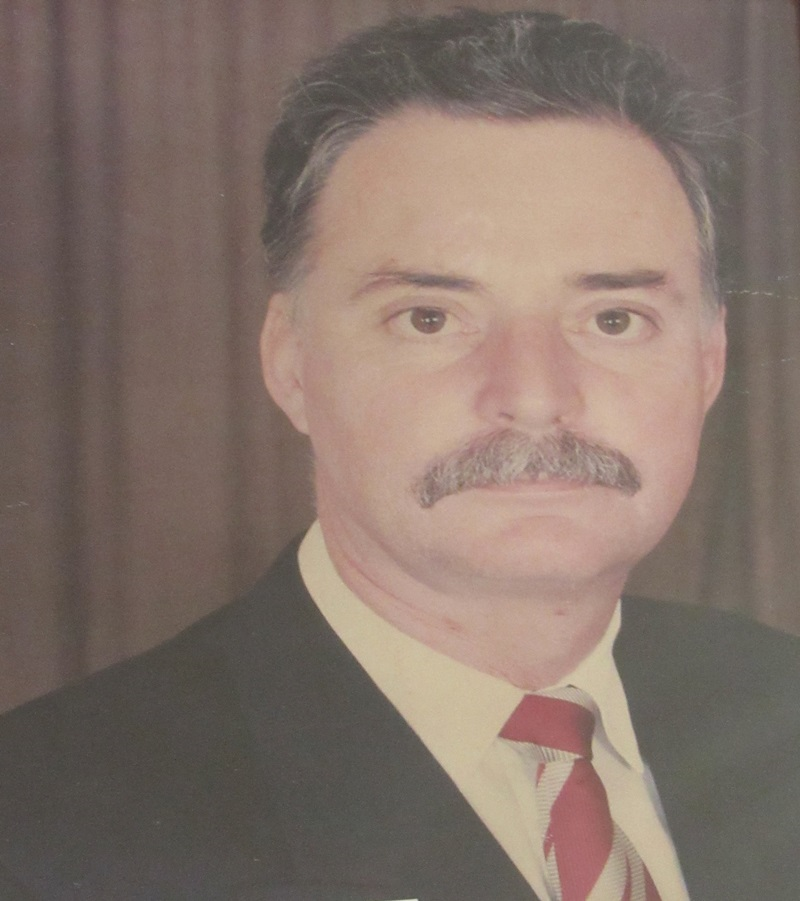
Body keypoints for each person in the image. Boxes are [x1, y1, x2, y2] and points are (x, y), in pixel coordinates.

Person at [0, 8, 798, 901]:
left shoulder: (780, 708)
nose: (536, 394)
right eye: (430, 318)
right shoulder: (44, 829)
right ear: (291, 363)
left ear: (708, 360)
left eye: (614, 319)